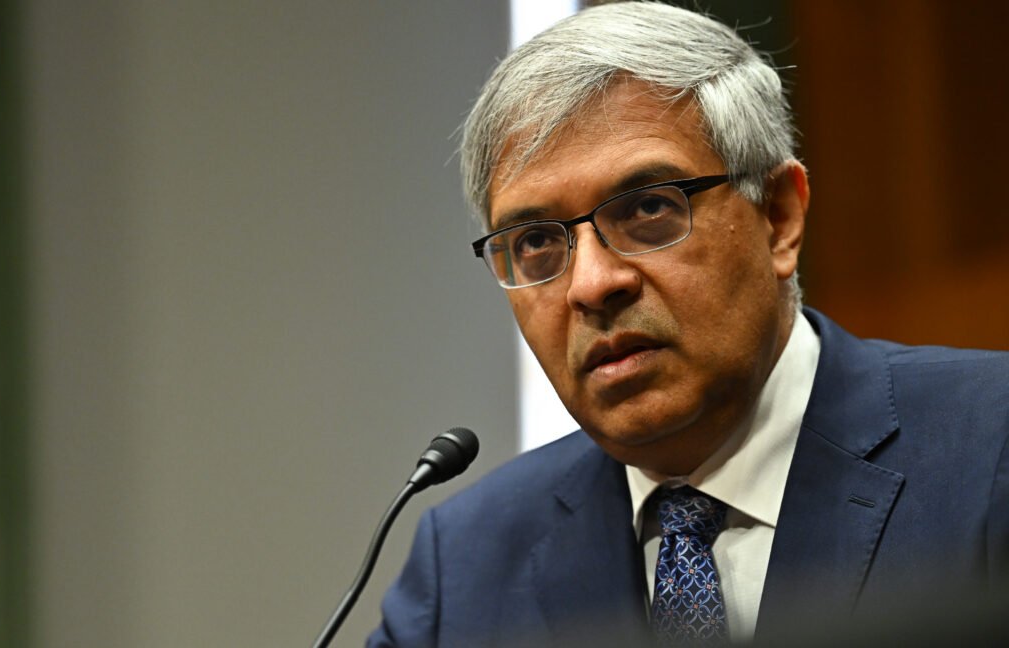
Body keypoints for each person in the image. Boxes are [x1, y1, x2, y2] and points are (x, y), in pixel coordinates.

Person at [367, 2, 1009, 646]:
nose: (591, 284)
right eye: (536, 241)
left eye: (648, 208)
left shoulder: (990, 445)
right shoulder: (463, 567)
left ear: (778, 218)